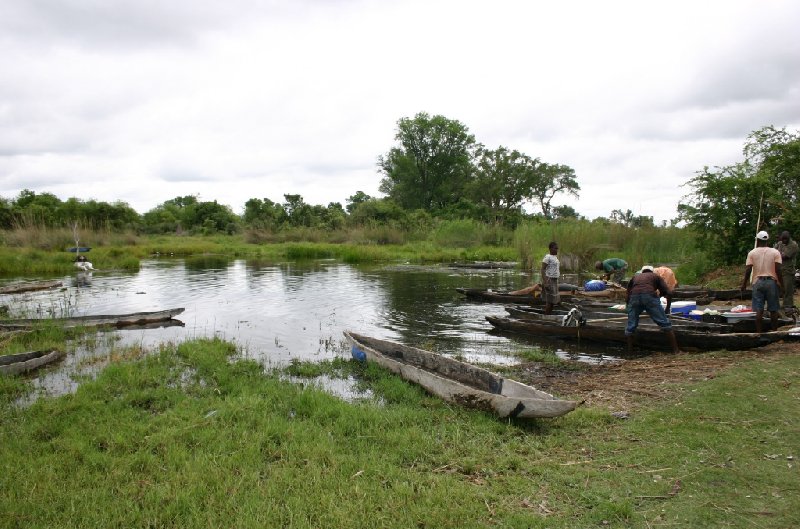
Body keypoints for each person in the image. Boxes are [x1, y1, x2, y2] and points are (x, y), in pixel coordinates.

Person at [625, 265, 681, 353]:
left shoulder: (635, 277)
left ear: (642, 271)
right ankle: (676, 350)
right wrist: (667, 309)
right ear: (651, 271)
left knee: (630, 326)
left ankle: (629, 351)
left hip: (634, 298)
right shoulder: (656, 276)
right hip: (649, 297)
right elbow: (669, 293)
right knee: (665, 323)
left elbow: (628, 295)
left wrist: (629, 308)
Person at [742, 230, 784, 333]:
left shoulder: (752, 253)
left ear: (757, 240)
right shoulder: (775, 252)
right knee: (773, 309)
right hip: (771, 282)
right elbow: (778, 269)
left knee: (759, 309)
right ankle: (774, 332)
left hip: (758, 282)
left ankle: (759, 333)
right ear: (767, 240)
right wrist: (781, 284)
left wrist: (744, 284)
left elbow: (748, 269)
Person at [774, 230, 797, 309]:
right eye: (783, 239)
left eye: (786, 239)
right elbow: (773, 252)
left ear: (789, 238)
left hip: (788, 271)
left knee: (788, 290)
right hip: (779, 270)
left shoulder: (793, 245)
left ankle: (788, 307)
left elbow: (784, 256)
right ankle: (777, 306)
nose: (784, 241)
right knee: (777, 289)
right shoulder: (780, 243)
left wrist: (777, 253)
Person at [541, 241, 560, 314]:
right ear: (551, 249)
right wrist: (545, 282)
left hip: (554, 281)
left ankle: (549, 315)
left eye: (557, 248)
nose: (557, 250)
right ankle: (546, 316)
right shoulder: (547, 257)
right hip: (549, 280)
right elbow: (542, 269)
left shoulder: (555, 257)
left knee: (552, 302)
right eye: (555, 248)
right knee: (549, 301)